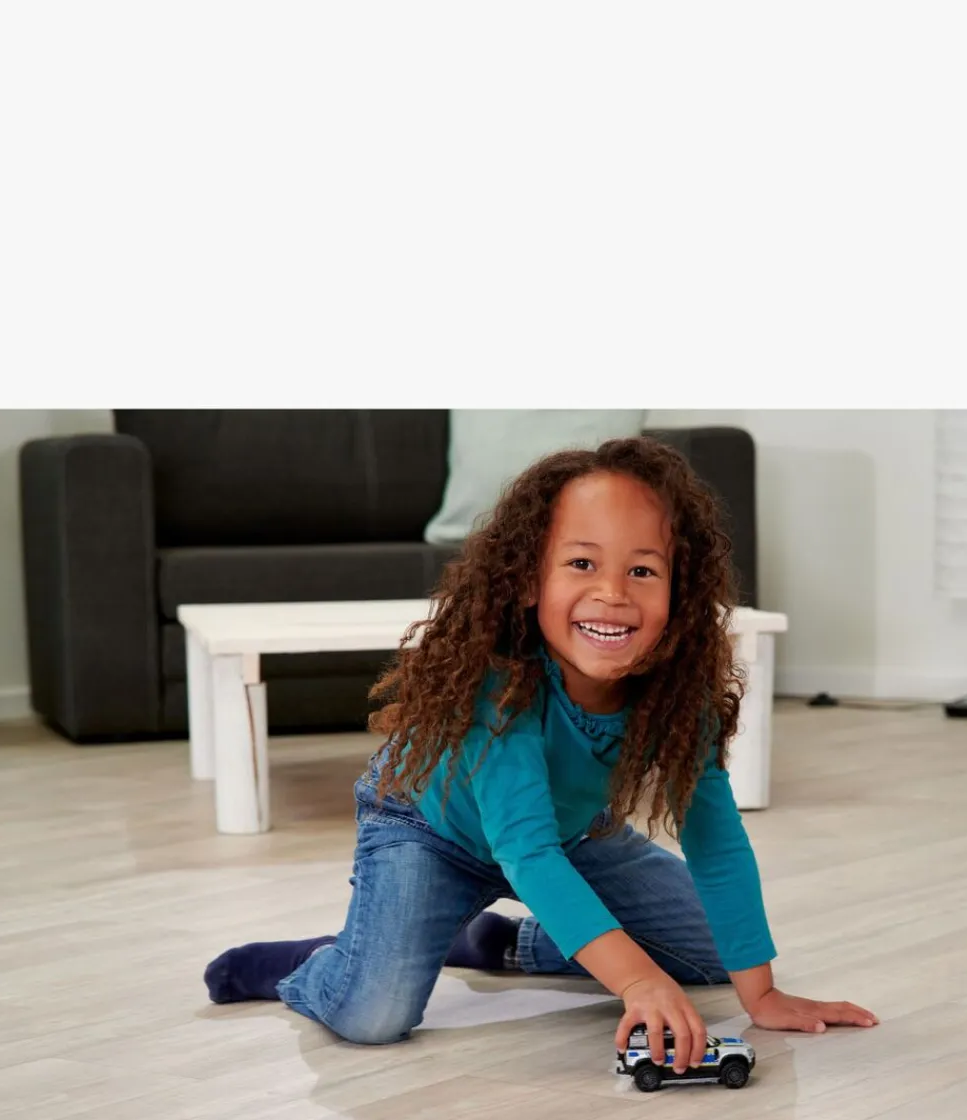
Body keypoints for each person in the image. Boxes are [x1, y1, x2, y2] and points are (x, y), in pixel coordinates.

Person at [203, 435, 878, 1072]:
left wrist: (762, 995)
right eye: (582, 563)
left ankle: (500, 941)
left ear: (680, 593)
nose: (612, 593)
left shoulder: (679, 695)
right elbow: (523, 850)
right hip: (431, 832)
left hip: (568, 836)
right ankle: (330, 963)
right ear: (529, 580)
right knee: (374, 1014)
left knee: (709, 951)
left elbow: (717, 841)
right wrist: (637, 981)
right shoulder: (499, 685)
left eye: (643, 570)